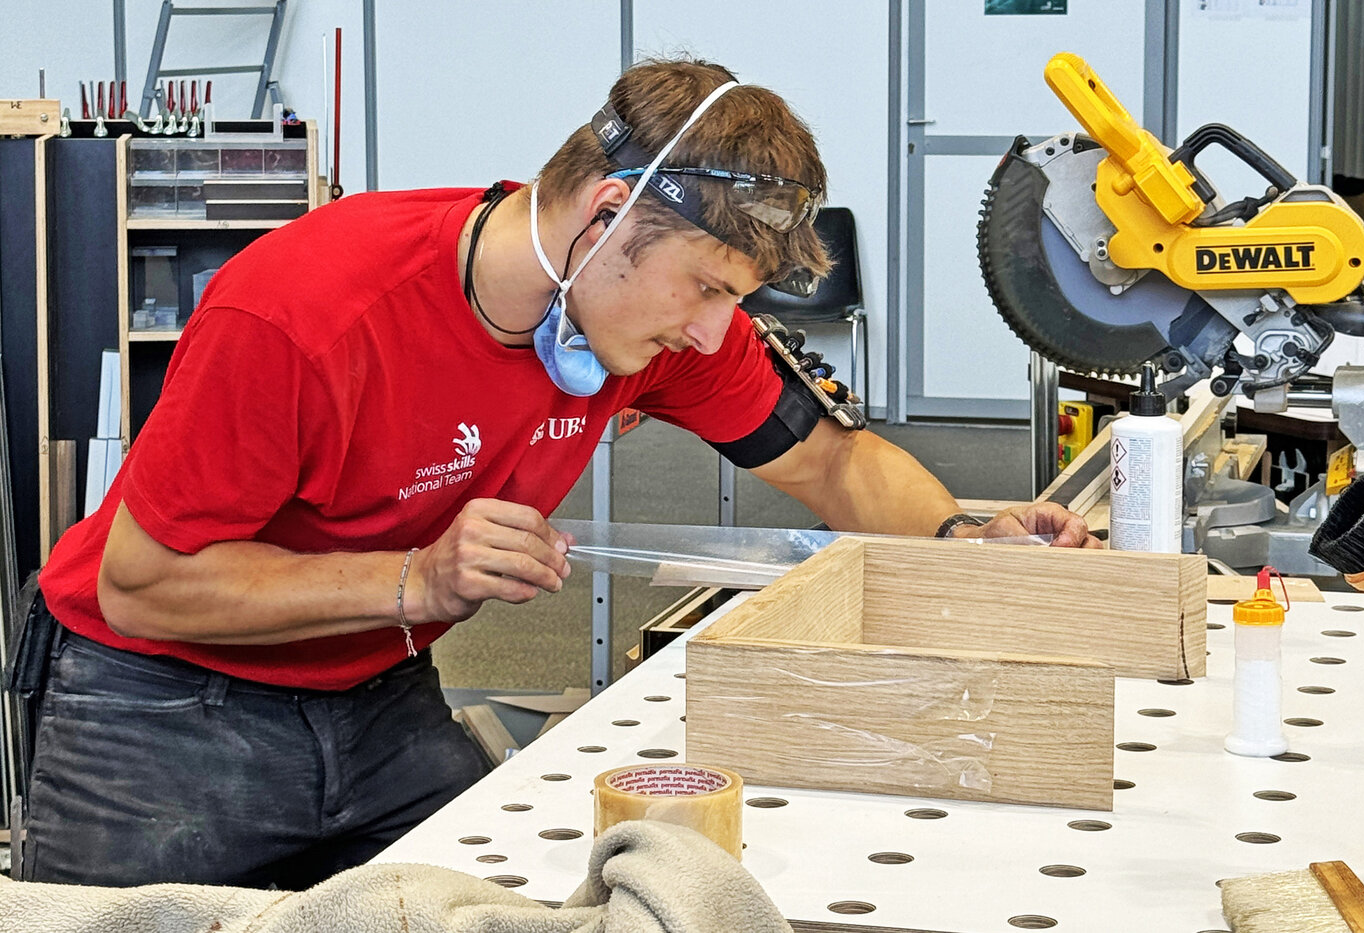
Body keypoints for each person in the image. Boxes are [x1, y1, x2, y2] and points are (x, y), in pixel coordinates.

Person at [24, 58, 1097, 889]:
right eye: (704, 288)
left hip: (377, 693)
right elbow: (143, 582)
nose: (712, 330)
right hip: (157, 714)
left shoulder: (649, 315)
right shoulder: (306, 312)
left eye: (736, 298)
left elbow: (828, 460)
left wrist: (965, 540)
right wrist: (417, 581)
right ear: (605, 217)